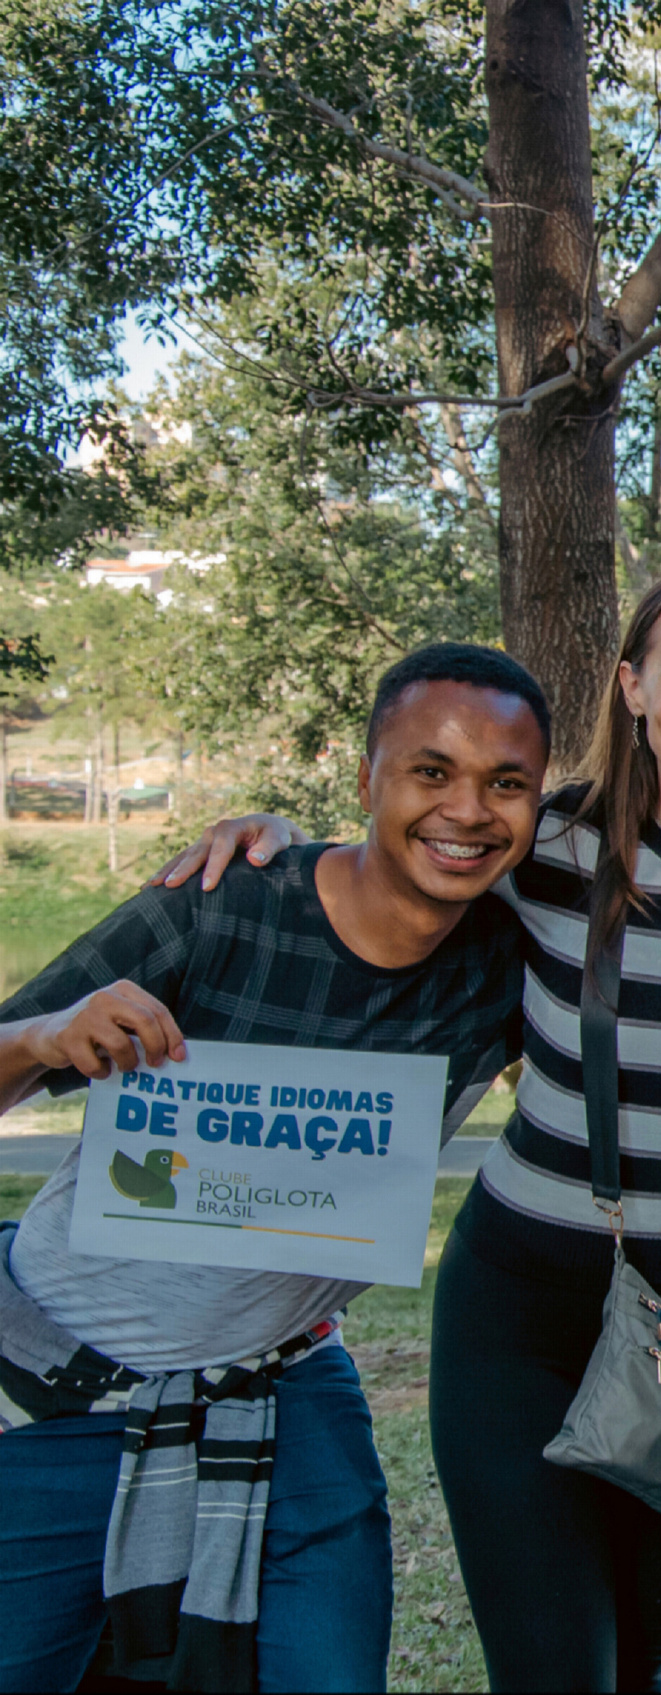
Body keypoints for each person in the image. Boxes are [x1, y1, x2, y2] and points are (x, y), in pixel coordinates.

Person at [163, 568, 661, 1691]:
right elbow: (397, 867)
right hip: (526, 1309)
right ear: (632, 687)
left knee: (640, 1651)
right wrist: (282, 848)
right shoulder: (548, 847)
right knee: (554, 1668)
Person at [0, 643, 547, 1693]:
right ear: (367, 778)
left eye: (505, 783)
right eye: (430, 771)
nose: (467, 811)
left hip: (280, 1384)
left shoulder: (511, 964)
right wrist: (41, 1036)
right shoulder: (221, 903)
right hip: (55, 1379)